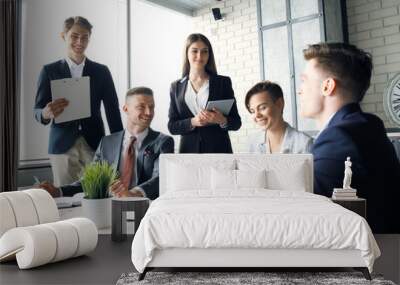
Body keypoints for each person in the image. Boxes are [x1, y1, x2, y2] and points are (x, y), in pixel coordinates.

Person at [298, 42, 400, 233]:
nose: (299, 90)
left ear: (327, 86)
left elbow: (308, 213)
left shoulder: (339, 138)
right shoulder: (367, 124)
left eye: (304, 81)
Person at [39, 87, 174, 200]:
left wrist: (133, 193)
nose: (149, 112)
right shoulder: (107, 142)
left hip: (144, 207)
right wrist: (58, 191)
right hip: (109, 206)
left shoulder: (163, 142)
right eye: (141, 107)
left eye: (151, 107)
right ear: (126, 109)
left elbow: (160, 178)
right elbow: (90, 180)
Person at [34, 16, 123, 187]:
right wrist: (45, 113)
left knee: (99, 194)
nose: (80, 42)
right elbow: (37, 110)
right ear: (64, 36)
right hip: (62, 146)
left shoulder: (101, 71)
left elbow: (113, 111)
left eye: (85, 37)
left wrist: (119, 147)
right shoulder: (49, 71)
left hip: (95, 144)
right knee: (65, 198)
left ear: (89, 38)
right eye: (74, 36)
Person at [168, 33, 241, 153]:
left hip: (219, 151)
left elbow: (236, 122)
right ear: (187, 53)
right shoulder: (176, 87)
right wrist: (193, 122)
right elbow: (172, 126)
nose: (199, 56)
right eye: (194, 51)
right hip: (188, 153)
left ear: (209, 55)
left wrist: (222, 120)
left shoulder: (223, 82)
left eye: (204, 51)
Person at [245, 81, 312, 153]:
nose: (257, 115)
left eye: (262, 108)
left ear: (279, 104)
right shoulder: (253, 142)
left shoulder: (304, 143)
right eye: (252, 111)